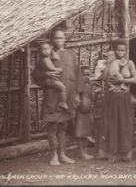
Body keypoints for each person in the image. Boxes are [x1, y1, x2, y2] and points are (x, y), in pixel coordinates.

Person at [34, 27, 84, 166]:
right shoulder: (46, 56)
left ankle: (63, 154)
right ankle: (54, 155)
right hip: (52, 96)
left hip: (68, 94)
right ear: (51, 40)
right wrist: (45, 74)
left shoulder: (71, 54)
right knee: (53, 127)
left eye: (61, 37)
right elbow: (36, 77)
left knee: (64, 126)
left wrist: (78, 94)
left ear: (64, 39)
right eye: (56, 38)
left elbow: (78, 74)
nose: (59, 40)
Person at [103, 39, 136, 163]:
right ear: (114, 50)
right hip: (113, 97)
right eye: (119, 50)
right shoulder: (111, 63)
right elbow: (105, 78)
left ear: (126, 51)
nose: (121, 52)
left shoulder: (130, 63)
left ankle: (126, 151)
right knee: (113, 124)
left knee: (125, 123)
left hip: (125, 97)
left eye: (123, 50)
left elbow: (135, 80)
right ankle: (114, 152)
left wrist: (122, 81)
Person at [37, 40, 68, 110]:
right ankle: (63, 102)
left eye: (47, 49)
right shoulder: (44, 59)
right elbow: (50, 68)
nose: (46, 51)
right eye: (43, 49)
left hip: (52, 80)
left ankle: (62, 103)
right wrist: (58, 69)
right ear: (39, 51)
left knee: (62, 88)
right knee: (62, 87)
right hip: (50, 80)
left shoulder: (47, 57)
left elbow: (53, 57)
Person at [75, 66, 95, 160]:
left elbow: (92, 97)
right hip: (80, 113)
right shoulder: (78, 88)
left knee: (86, 133)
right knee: (80, 134)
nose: (86, 77)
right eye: (84, 75)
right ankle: (81, 152)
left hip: (87, 113)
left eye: (88, 74)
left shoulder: (89, 85)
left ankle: (85, 151)